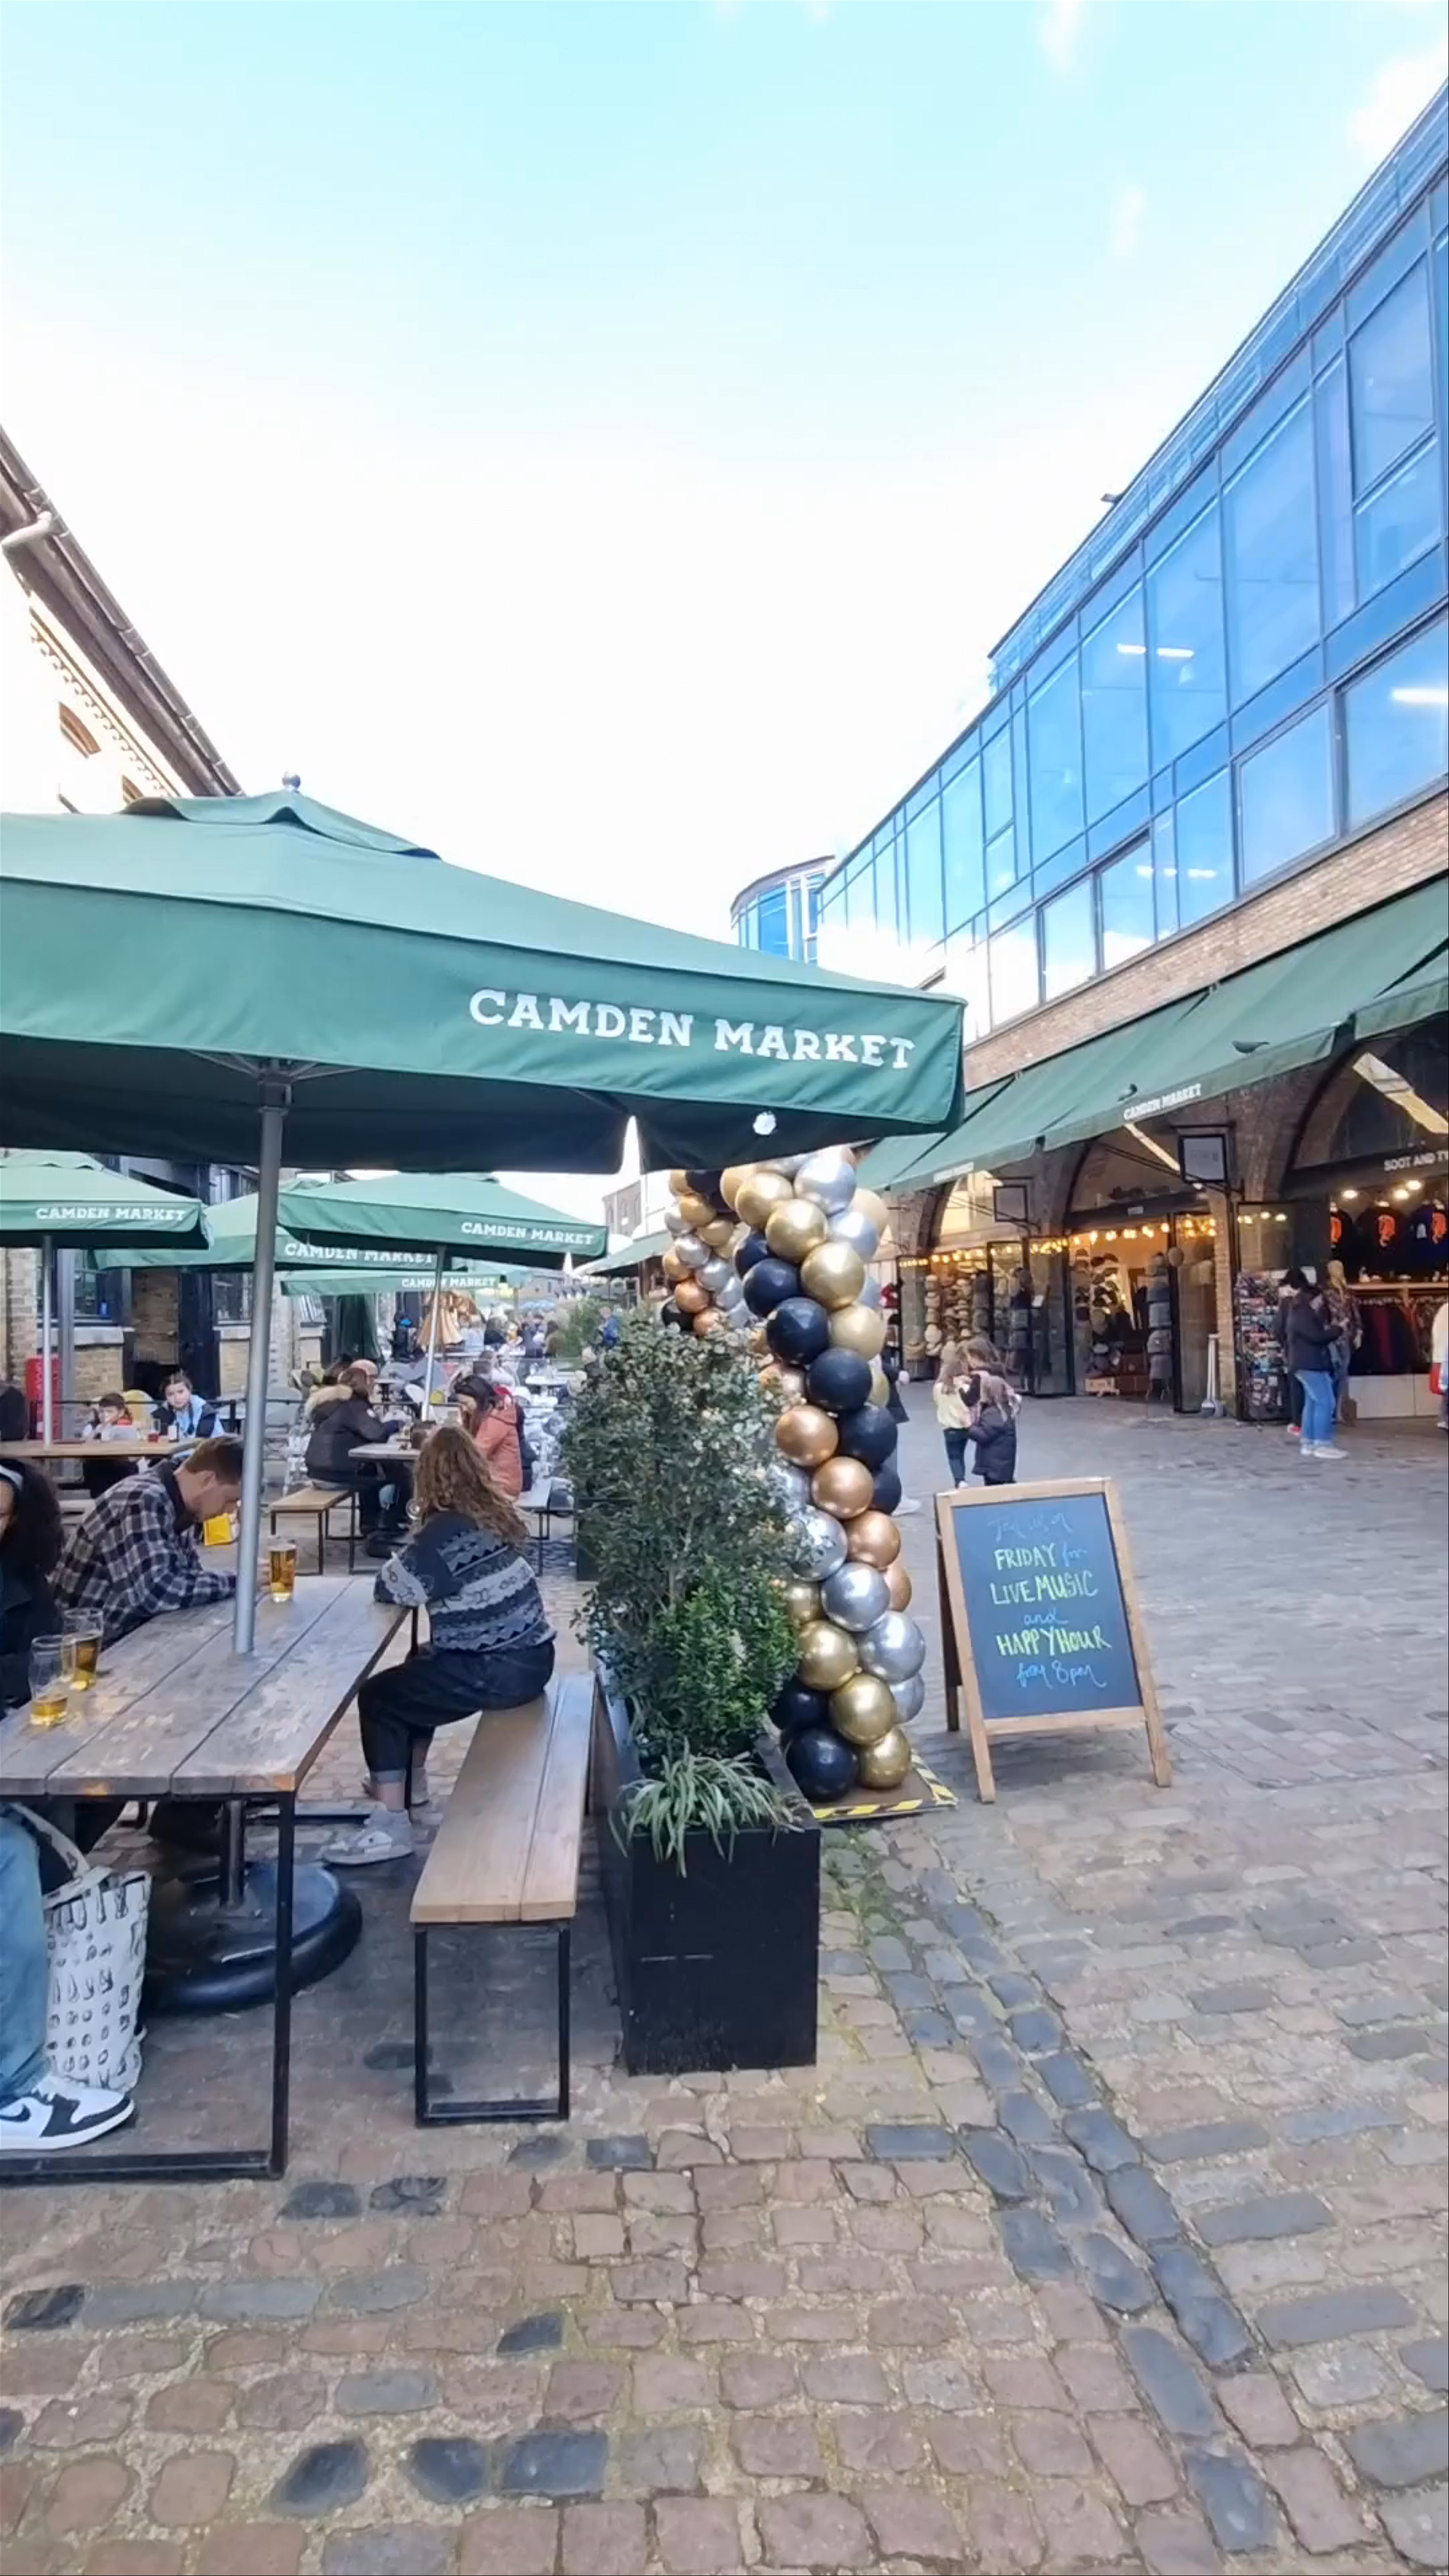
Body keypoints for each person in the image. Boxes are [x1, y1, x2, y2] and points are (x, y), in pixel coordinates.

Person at [319, 1429, 555, 1866]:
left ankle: (390, 1825)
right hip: (534, 1658)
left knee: (379, 1698)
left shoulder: (441, 1535)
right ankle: (413, 1783)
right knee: (419, 1662)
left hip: (496, 1668)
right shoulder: (493, 1515)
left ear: (426, 1477)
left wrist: (414, 1539)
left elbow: (390, 1587)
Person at [54, 1437, 244, 1642]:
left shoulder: (178, 1503)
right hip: (86, 1650)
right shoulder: (143, 1498)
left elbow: (189, 1578)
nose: (230, 1511)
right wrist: (241, 1580)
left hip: (127, 1635)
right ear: (208, 1480)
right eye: (230, 1500)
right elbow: (160, 1592)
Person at [305, 1364, 408, 1549]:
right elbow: (376, 1433)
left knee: (376, 1475)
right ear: (363, 1384)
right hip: (335, 1475)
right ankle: (384, 1526)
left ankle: (372, 1525)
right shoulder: (353, 1405)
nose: (374, 1385)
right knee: (398, 1474)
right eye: (371, 1381)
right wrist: (396, 1424)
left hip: (317, 1472)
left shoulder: (330, 1404)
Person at [1281, 1271, 1341, 1460]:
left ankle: (1308, 1442)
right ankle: (1322, 1443)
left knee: (1312, 1402)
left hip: (1302, 1362)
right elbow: (1316, 1337)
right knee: (1326, 1401)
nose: (1322, 1305)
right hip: (1311, 1363)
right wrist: (1338, 1329)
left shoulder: (1296, 1310)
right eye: (1320, 1301)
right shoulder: (1304, 1313)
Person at [958, 1370, 1018, 1485]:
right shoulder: (1005, 1409)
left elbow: (984, 1436)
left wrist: (969, 1426)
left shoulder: (993, 1413)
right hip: (1002, 1461)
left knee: (995, 1490)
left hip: (994, 1464)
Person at [469, 1376, 524, 1497]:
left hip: (502, 1486)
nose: (462, 1408)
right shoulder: (492, 1416)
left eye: (465, 1403)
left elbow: (475, 1456)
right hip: (502, 1482)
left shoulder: (495, 1422)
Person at [1323, 1260, 1361, 1425]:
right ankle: (1331, 1410)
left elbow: (1355, 1313)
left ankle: (1340, 1410)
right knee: (1335, 1371)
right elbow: (1322, 1315)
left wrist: (1359, 1331)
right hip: (1332, 1337)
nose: (1340, 1271)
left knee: (1344, 1372)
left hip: (1346, 1336)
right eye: (1337, 1268)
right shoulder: (1325, 1292)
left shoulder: (1348, 1292)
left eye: (1341, 1268)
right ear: (1330, 1271)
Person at [81, 1391, 138, 1500]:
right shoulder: (97, 1427)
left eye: (109, 1412)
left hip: (121, 1468)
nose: (104, 1415)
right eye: (101, 1412)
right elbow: (86, 1446)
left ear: (121, 1413)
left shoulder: (125, 1427)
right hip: (103, 1469)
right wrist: (96, 1431)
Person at [152, 1370, 219, 1443]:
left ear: (190, 1390)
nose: (177, 1398)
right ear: (166, 1397)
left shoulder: (206, 1413)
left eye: (181, 1392)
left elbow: (219, 1442)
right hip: (171, 1453)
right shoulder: (160, 1414)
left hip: (201, 1453)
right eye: (171, 1395)